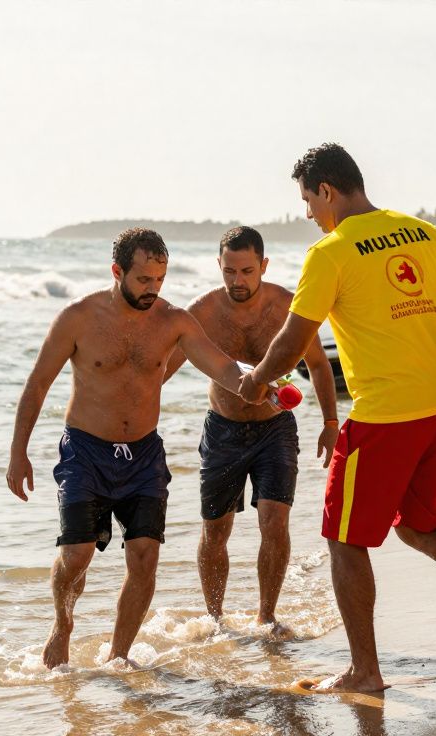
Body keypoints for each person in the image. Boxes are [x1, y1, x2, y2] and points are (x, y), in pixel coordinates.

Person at [238, 143, 436, 692]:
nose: (308, 214)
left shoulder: (330, 253)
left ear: (326, 191)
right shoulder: (420, 232)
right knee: (421, 526)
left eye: (308, 201)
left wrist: (257, 378)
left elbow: (291, 342)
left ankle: (364, 671)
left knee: (344, 538)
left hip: (385, 417)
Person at [5, 227, 262, 669]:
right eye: (143, 280)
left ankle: (119, 657)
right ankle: (62, 625)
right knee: (77, 555)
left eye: (160, 279)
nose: (152, 289)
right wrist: (18, 452)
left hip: (143, 456)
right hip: (86, 452)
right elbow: (37, 386)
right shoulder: (78, 318)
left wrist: (259, 386)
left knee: (144, 558)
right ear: (117, 271)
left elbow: (221, 366)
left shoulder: (174, 322)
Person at [164, 225, 339, 637]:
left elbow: (317, 364)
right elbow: (161, 371)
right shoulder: (201, 312)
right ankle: (215, 619)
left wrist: (331, 422)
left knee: (274, 522)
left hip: (274, 430)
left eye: (246, 270)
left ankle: (266, 615)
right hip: (222, 431)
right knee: (215, 530)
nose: (237, 281)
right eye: (229, 271)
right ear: (219, 267)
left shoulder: (286, 306)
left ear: (263, 265)